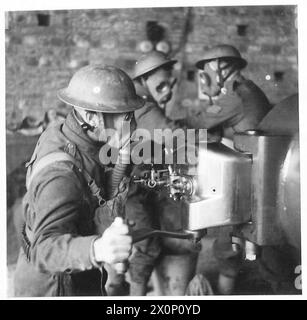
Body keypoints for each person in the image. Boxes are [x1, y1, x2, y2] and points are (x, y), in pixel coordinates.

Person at [13, 65, 144, 296]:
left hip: (78, 266)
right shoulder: (61, 174)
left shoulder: (71, 133)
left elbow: (99, 174)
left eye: (130, 114)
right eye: (122, 116)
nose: (131, 125)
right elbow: (44, 249)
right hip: (56, 282)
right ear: (91, 116)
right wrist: (99, 249)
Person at [125, 51, 200, 296]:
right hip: (129, 191)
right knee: (147, 246)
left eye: (170, 84)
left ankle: (156, 291)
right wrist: (210, 136)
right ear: (142, 82)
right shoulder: (144, 109)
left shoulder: (144, 105)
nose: (167, 90)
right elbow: (175, 135)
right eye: (161, 85)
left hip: (143, 186)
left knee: (166, 233)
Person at [188, 44, 271, 144]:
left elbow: (201, 122)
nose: (207, 77)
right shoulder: (243, 88)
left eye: (209, 70)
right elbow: (212, 113)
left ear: (223, 70)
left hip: (249, 155)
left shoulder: (236, 95)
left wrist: (168, 125)